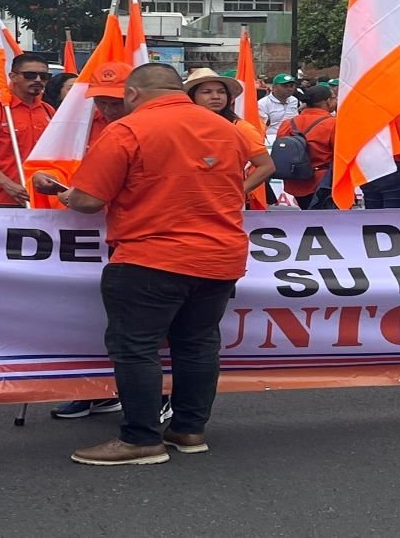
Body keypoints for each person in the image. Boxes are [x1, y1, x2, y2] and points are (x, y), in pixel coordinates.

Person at [46, 63, 253, 466]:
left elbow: (89, 201)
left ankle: (140, 438)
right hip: (220, 256)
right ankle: (189, 429)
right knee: (198, 344)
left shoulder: (127, 130)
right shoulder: (228, 130)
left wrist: (64, 196)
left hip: (150, 256)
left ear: (134, 94)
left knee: (136, 347)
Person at [0, 54, 56, 208]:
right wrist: (7, 184)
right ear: (13, 77)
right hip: (3, 199)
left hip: (40, 199)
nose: (37, 80)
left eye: (43, 76)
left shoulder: (48, 111)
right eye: (30, 75)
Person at [184, 68, 275, 204]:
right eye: (206, 92)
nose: (216, 96)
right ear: (192, 96)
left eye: (221, 92)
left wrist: (237, 192)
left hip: (225, 207)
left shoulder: (240, 128)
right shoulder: (180, 126)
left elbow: (266, 166)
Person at [275, 83, 337, 210]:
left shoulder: (288, 123)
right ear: (327, 101)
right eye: (334, 97)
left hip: (295, 183)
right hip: (323, 184)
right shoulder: (333, 124)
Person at [258, 73, 299, 142]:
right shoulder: (262, 104)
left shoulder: (293, 100)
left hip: (293, 138)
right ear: (274, 88)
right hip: (272, 139)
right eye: (285, 86)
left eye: (291, 86)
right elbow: (260, 127)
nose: (289, 89)